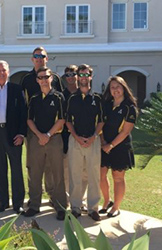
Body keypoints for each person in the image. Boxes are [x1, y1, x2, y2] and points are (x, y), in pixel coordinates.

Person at [20, 46, 64, 201]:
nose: (39, 58)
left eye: (42, 56)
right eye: (36, 56)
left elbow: (60, 105)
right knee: (34, 167)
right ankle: (34, 201)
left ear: (47, 58)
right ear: (32, 59)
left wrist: (51, 133)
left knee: (52, 168)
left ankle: (53, 197)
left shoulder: (56, 78)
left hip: (53, 131)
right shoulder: (26, 79)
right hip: (33, 131)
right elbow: (23, 106)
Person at [0, 60, 26, 214]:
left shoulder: (17, 89)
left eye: (4, 70)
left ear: (8, 72)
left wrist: (21, 134)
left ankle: (18, 203)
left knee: (16, 170)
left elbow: (23, 113)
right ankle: (2, 202)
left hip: (13, 134)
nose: (1, 73)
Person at [24, 66, 67, 220]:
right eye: (40, 77)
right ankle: (34, 205)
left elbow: (62, 119)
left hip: (54, 139)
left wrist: (48, 135)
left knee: (57, 173)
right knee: (34, 173)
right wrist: (39, 135)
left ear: (51, 78)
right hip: (36, 139)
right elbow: (29, 119)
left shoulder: (59, 97)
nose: (43, 80)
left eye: (46, 77)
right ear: (37, 80)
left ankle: (60, 206)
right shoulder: (34, 98)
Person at [66, 64, 104, 221]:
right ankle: (75, 207)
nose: (83, 78)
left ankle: (93, 208)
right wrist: (76, 136)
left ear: (90, 77)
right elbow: (68, 121)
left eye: (86, 75)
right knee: (74, 174)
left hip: (93, 140)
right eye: (80, 75)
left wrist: (94, 136)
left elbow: (101, 121)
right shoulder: (72, 98)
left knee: (93, 174)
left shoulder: (98, 98)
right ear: (77, 77)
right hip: (75, 140)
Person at [99, 76, 137, 218]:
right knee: (100, 175)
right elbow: (101, 124)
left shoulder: (129, 107)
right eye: (112, 87)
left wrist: (111, 145)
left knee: (118, 177)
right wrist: (103, 142)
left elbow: (126, 131)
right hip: (104, 145)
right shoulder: (107, 104)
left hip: (120, 146)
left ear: (123, 88)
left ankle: (116, 207)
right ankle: (107, 201)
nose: (115, 90)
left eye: (118, 86)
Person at [62, 65, 89, 210]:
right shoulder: (61, 95)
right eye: (68, 75)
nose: (71, 77)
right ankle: (68, 200)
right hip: (66, 138)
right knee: (67, 171)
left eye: (73, 74)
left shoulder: (86, 94)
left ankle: (82, 201)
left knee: (84, 172)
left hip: (85, 138)